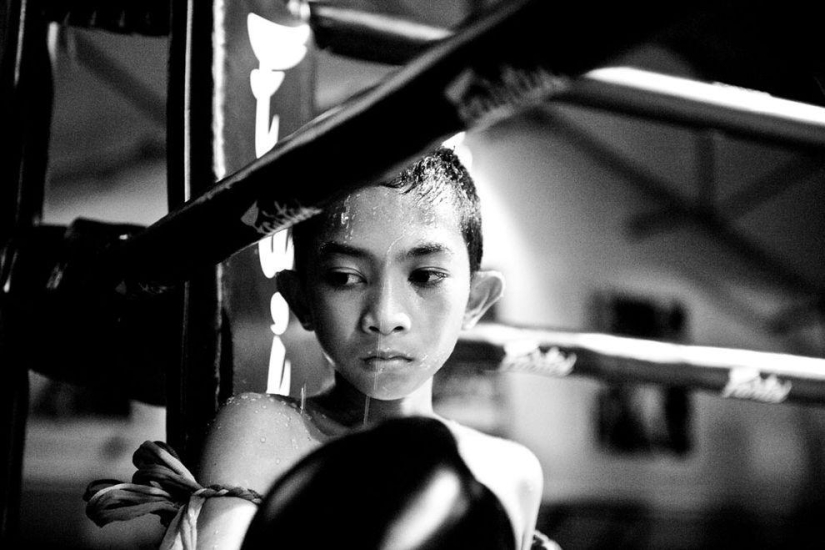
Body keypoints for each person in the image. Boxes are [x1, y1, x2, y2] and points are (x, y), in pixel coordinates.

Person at [187, 146, 545, 549]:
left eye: (425, 276)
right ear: (301, 299)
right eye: (343, 277)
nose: (385, 315)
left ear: (475, 300)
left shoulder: (510, 473)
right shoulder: (262, 428)